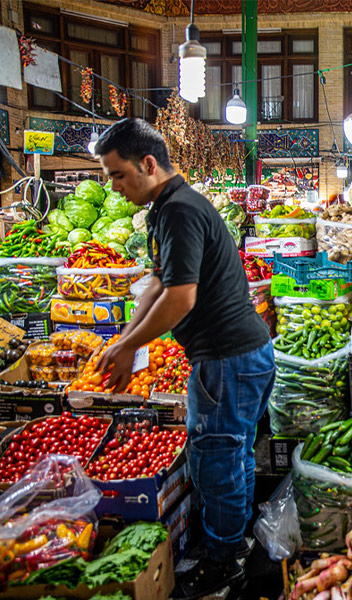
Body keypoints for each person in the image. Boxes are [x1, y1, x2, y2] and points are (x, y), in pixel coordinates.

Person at [94, 118, 274, 599]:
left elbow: (180, 297)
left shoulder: (178, 211)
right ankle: (236, 542)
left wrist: (130, 346)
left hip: (227, 359)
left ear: (148, 164)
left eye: (117, 174)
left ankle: (224, 562)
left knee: (216, 460)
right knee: (230, 454)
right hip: (240, 355)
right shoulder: (168, 207)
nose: (114, 186)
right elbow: (157, 281)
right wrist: (126, 335)